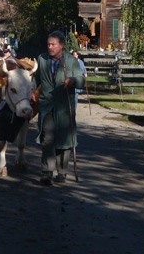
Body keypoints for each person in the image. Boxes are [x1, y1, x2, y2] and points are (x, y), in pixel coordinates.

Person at [32, 31, 84, 186]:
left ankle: (61, 172)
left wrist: (73, 80)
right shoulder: (42, 59)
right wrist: (31, 90)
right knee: (47, 138)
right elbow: (36, 78)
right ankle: (47, 172)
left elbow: (81, 80)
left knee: (64, 139)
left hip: (64, 105)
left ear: (61, 45)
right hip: (47, 105)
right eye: (48, 44)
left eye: (53, 44)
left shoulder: (70, 60)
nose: (50, 47)